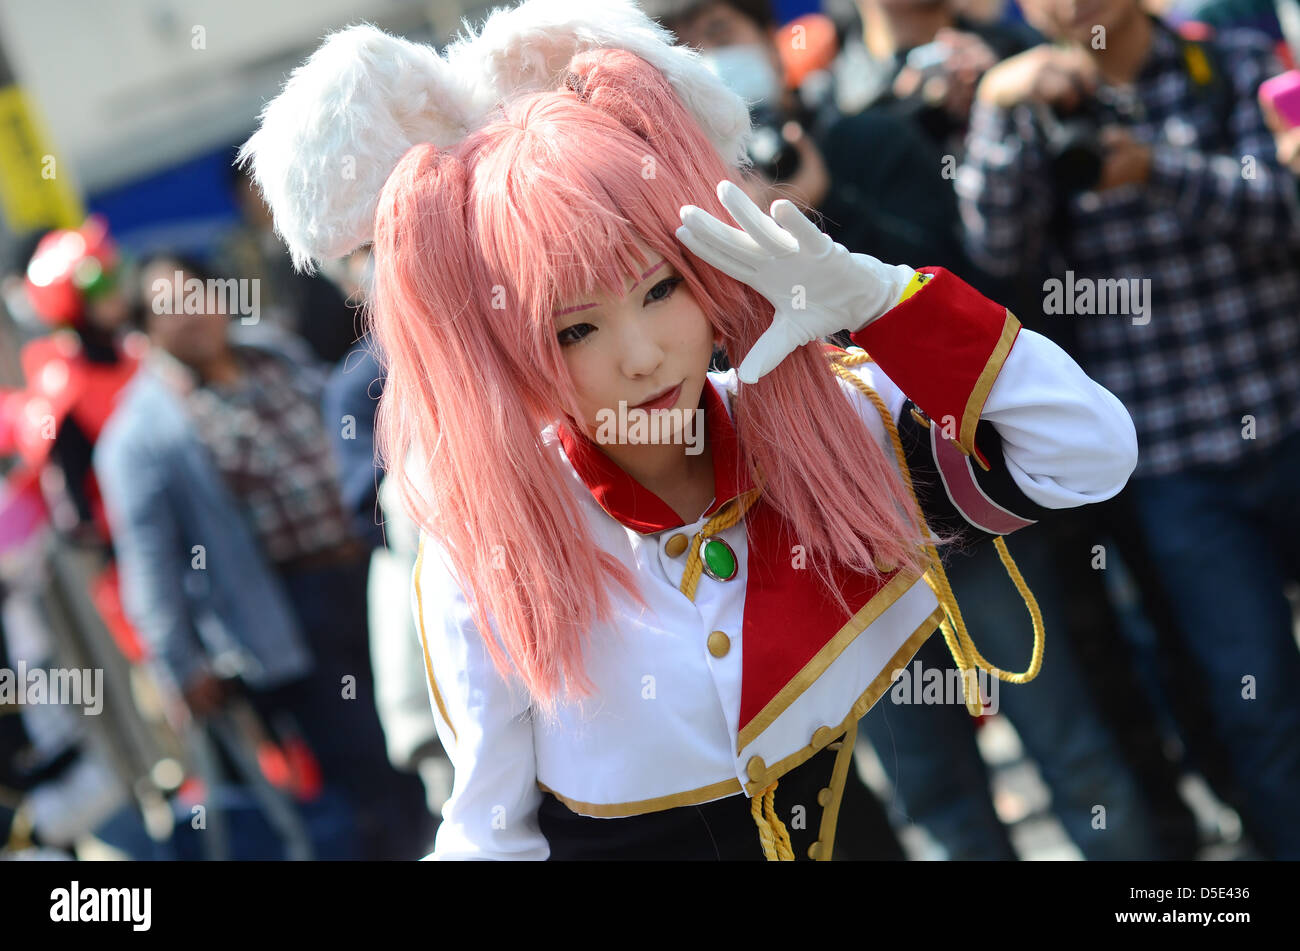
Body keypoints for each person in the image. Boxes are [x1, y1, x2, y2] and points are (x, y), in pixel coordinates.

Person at [240, 0, 1137, 861]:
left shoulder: (819, 423)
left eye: (661, 288)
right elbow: (488, 832)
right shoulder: (490, 539)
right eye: (573, 329)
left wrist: (876, 297)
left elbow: (1088, 451)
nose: (640, 355)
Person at [956, 0, 1300, 858]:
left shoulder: (1227, 59)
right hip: (1177, 466)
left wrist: (1157, 169)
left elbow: (1285, 211)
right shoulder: (1032, 103)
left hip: (1290, 409)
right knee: (1258, 705)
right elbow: (996, 248)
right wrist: (1000, 104)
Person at [93, 254, 431, 859]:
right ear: (145, 327)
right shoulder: (139, 435)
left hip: (369, 570)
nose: (192, 316)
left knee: (426, 721)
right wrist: (179, 666)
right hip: (291, 617)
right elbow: (150, 564)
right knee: (369, 770)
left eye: (198, 296)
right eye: (170, 308)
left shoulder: (274, 354)